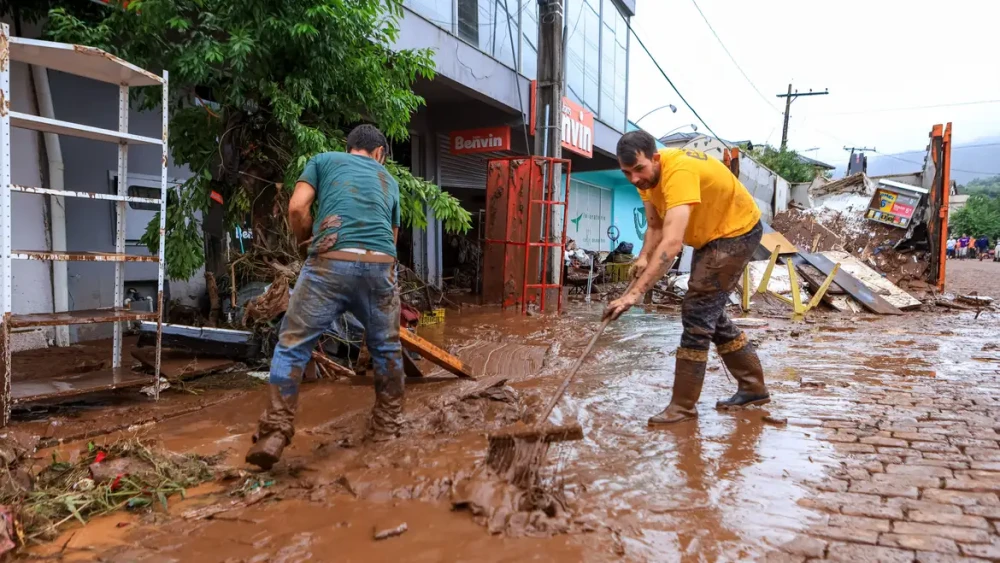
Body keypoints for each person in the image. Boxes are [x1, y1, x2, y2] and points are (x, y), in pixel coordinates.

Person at [246, 124, 405, 470]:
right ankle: (387, 429)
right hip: (380, 267)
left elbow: (297, 209)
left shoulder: (322, 160)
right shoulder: (389, 181)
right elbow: (391, 241)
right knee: (387, 347)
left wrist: (305, 242)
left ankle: (275, 432)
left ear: (349, 148)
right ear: (380, 154)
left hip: (330, 262)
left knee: (292, 345)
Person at [605, 131, 768, 425]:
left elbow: (671, 244)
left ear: (654, 158)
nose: (633, 179)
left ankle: (682, 407)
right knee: (708, 313)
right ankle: (753, 387)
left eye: (638, 169)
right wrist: (643, 257)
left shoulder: (678, 172)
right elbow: (655, 228)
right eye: (626, 172)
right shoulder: (646, 179)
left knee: (697, 312)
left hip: (737, 231)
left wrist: (634, 294)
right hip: (711, 236)